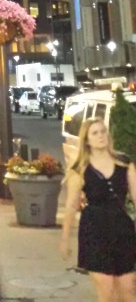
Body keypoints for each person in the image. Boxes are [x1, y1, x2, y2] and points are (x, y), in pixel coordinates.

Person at [60, 117, 136, 301]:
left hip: (122, 230)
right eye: (95, 133)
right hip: (95, 231)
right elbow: (71, 206)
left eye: (103, 131)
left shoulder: (124, 163)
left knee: (127, 290)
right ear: (86, 140)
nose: (101, 136)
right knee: (106, 290)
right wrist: (65, 239)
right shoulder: (80, 168)